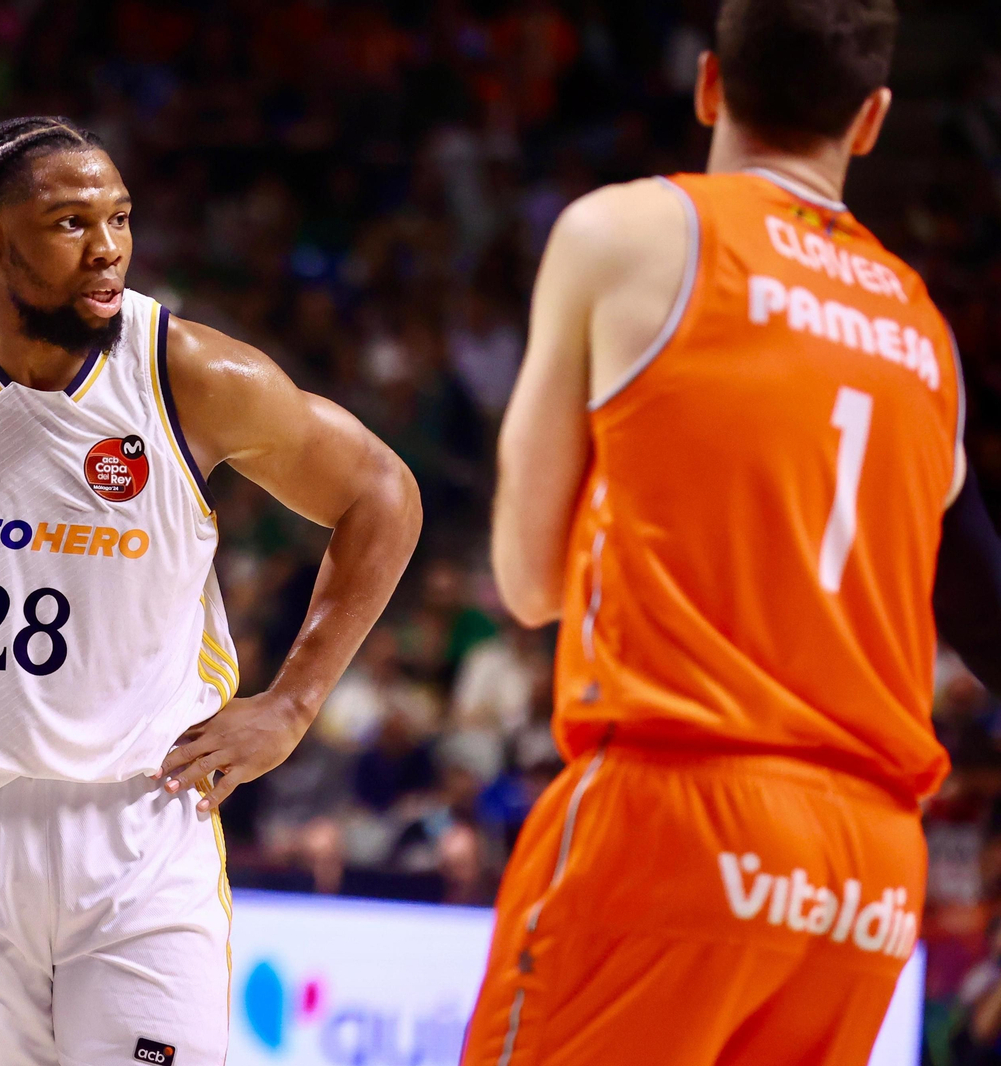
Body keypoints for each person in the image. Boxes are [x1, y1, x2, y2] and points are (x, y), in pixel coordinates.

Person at [0, 116, 420, 1066]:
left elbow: (381, 492)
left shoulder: (190, 373)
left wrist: (293, 703)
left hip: (142, 830)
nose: (107, 249)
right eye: (69, 223)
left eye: (118, 218)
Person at [464, 0, 1001, 1063]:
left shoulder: (627, 232)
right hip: (865, 871)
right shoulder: (922, 328)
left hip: (679, 808)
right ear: (871, 119)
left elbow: (528, 579)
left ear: (709, 84)